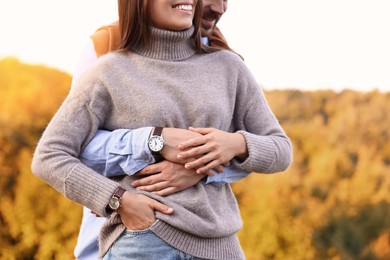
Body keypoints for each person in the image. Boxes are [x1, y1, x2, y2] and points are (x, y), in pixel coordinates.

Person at [32, 0, 292, 259]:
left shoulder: (229, 67)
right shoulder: (107, 71)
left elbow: (281, 149)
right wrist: (117, 199)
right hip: (141, 244)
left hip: (220, 246)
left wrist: (237, 144)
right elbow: (49, 156)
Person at [73, 1, 249, 259]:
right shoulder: (107, 45)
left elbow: (255, 151)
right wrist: (154, 141)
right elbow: (74, 147)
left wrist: (197, 168)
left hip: (206, 243)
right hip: (118, 241)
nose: (219, 8)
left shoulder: (227, 61)